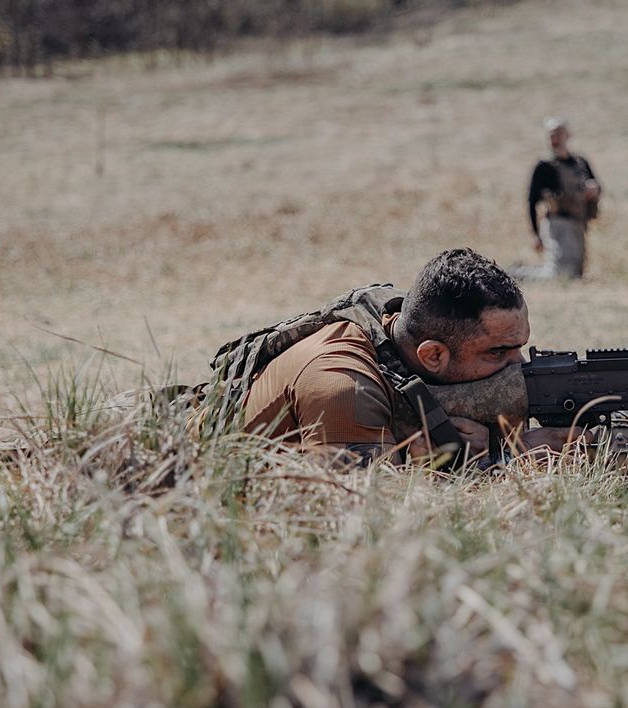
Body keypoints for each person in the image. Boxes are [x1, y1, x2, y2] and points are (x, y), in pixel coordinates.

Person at [237, 249, 570, 463]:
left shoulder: (414, 327)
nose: (519, 366)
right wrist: (508, 460)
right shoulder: (342, 385)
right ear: (433, 355)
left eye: (519, 347)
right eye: (498, 352)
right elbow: (359, 515)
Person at [522, 117, 600, 279]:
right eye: (551, 134)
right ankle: (518, 274)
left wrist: (594, 189)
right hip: (557, 225)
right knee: (559, 274)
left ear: (568, 135)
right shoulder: (544, 166)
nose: (554, 138)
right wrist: (536, 235)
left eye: (558, 133)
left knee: (575, 273)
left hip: (578, 223)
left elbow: (597, 186)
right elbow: (532, 201)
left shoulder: (580, 163)